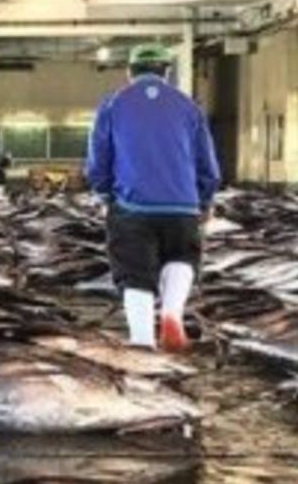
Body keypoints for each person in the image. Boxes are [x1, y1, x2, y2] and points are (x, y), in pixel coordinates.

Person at [85, 42, 221, 351]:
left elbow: (99, 157)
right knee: (182, 256)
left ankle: (143, 340)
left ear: (130, 72)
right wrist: (204, 199)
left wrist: (104, 191)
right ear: (166, 72)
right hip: (183, 205)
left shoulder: (113, 104)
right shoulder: (189, 106)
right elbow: (206, 160)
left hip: (132, 205)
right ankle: (172, 315)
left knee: (134, 272)